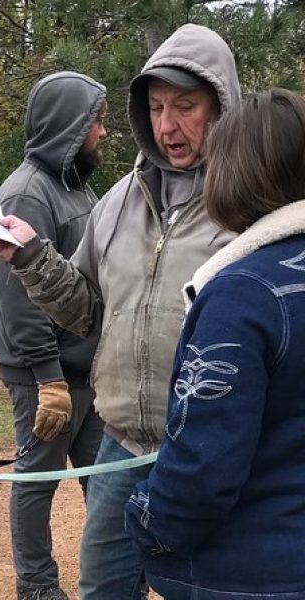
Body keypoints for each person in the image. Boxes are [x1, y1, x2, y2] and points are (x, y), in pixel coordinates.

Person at [0, 24, 240, 599]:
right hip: (121, 448)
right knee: (102, 588)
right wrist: (32, 256)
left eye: (185, 106)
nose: (167, 125)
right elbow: (84, 309)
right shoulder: (119, 201)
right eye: (155, 107)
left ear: (222, 105)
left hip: (211, 458)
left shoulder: (249, 203)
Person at [124, 89, 305, 599]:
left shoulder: (240, 297)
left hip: (250, 574)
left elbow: (202, 471)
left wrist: (145, 522)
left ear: (230, 175)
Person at [0, 71, 107, 600]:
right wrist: (48, 379)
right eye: (96, 121)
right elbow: (19, 295)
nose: (103, 132)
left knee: (105, 479)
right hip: (49, 377)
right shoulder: (27, 194)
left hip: (90, 370)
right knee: (36, 482)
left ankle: (118, 569)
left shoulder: (76, 186)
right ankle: (36, 586)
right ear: (70, 125)